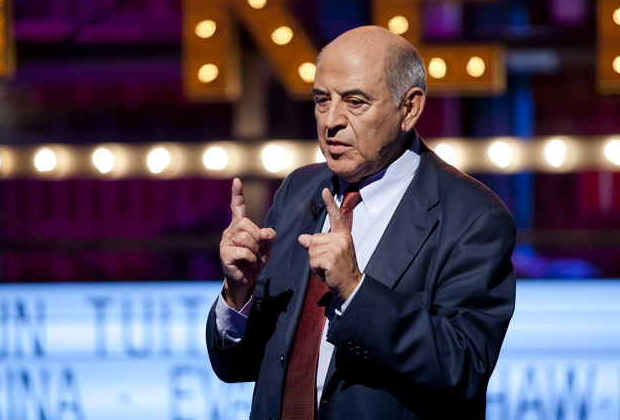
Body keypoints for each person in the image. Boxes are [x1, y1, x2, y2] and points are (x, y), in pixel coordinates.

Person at [206, 26, 516, 420]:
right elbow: (237, 366)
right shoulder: (298, 190)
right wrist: (239, 293)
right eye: (322, 100)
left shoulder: (473, 217)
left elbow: (464, 369)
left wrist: (355, 290)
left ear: (410, 108)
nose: (331, 120)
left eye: (355, 102)